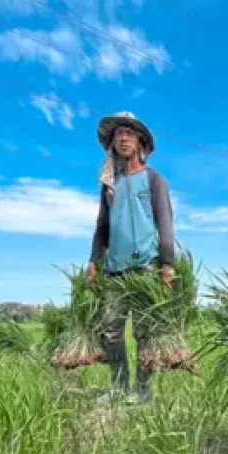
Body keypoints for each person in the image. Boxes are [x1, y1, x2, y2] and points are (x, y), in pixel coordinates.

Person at [86, 111, 176, 405]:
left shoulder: (153, 180)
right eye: (118, 134)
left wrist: (167, 264)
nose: (123, 138)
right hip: (115, 270)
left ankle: (143, 390)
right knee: (111, 331)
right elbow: (102, 225)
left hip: (146, 268)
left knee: (143, 331)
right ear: (112, 143)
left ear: (140, 142)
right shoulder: (110, 185)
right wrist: (93, 261)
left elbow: (165, 223)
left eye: (129, 133)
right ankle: (120, 386)